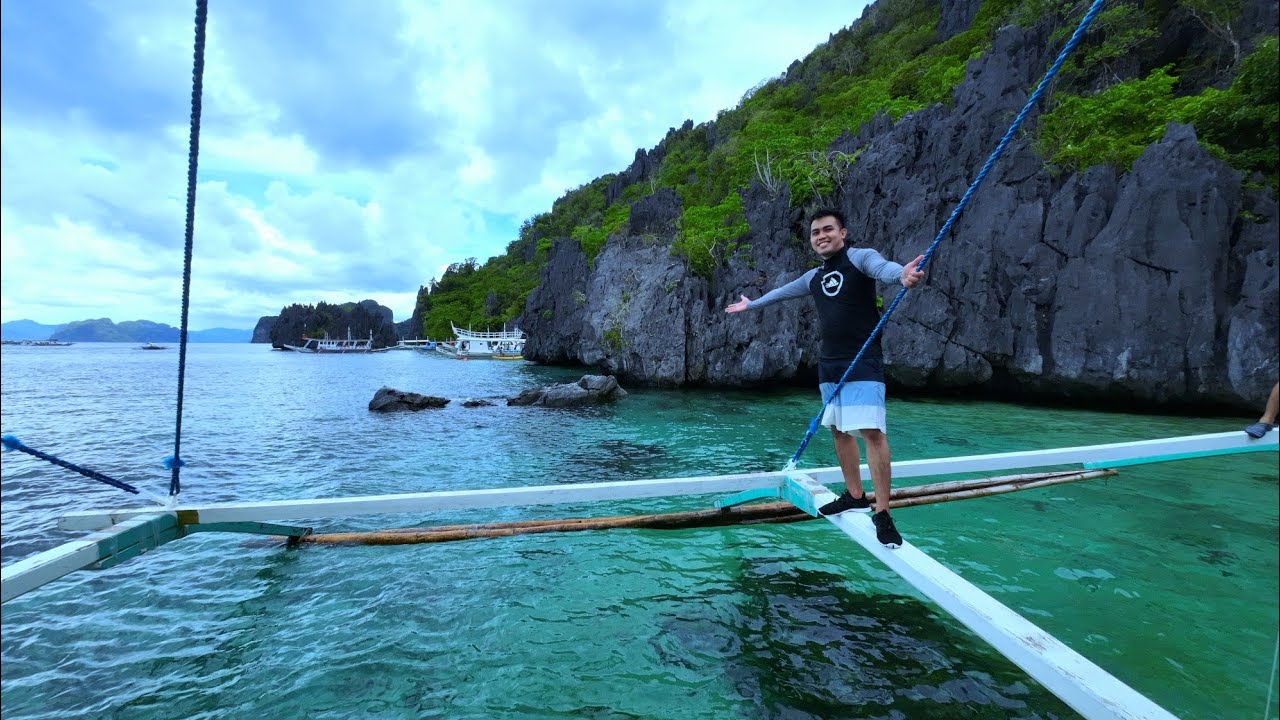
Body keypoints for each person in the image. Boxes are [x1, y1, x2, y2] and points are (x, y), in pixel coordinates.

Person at [726, 208, 925, 549]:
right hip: (829, 364)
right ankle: (854, 495)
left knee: (872, 433)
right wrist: (752, 305)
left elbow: (885, 269)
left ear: (843, 232)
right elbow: (781, 293)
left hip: (863, 360)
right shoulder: (813, 277)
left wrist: (901, 275)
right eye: (816, 232)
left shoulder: (860, 257)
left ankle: (882, 512)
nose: (821, 236)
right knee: (838, 429)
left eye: (828, 229)